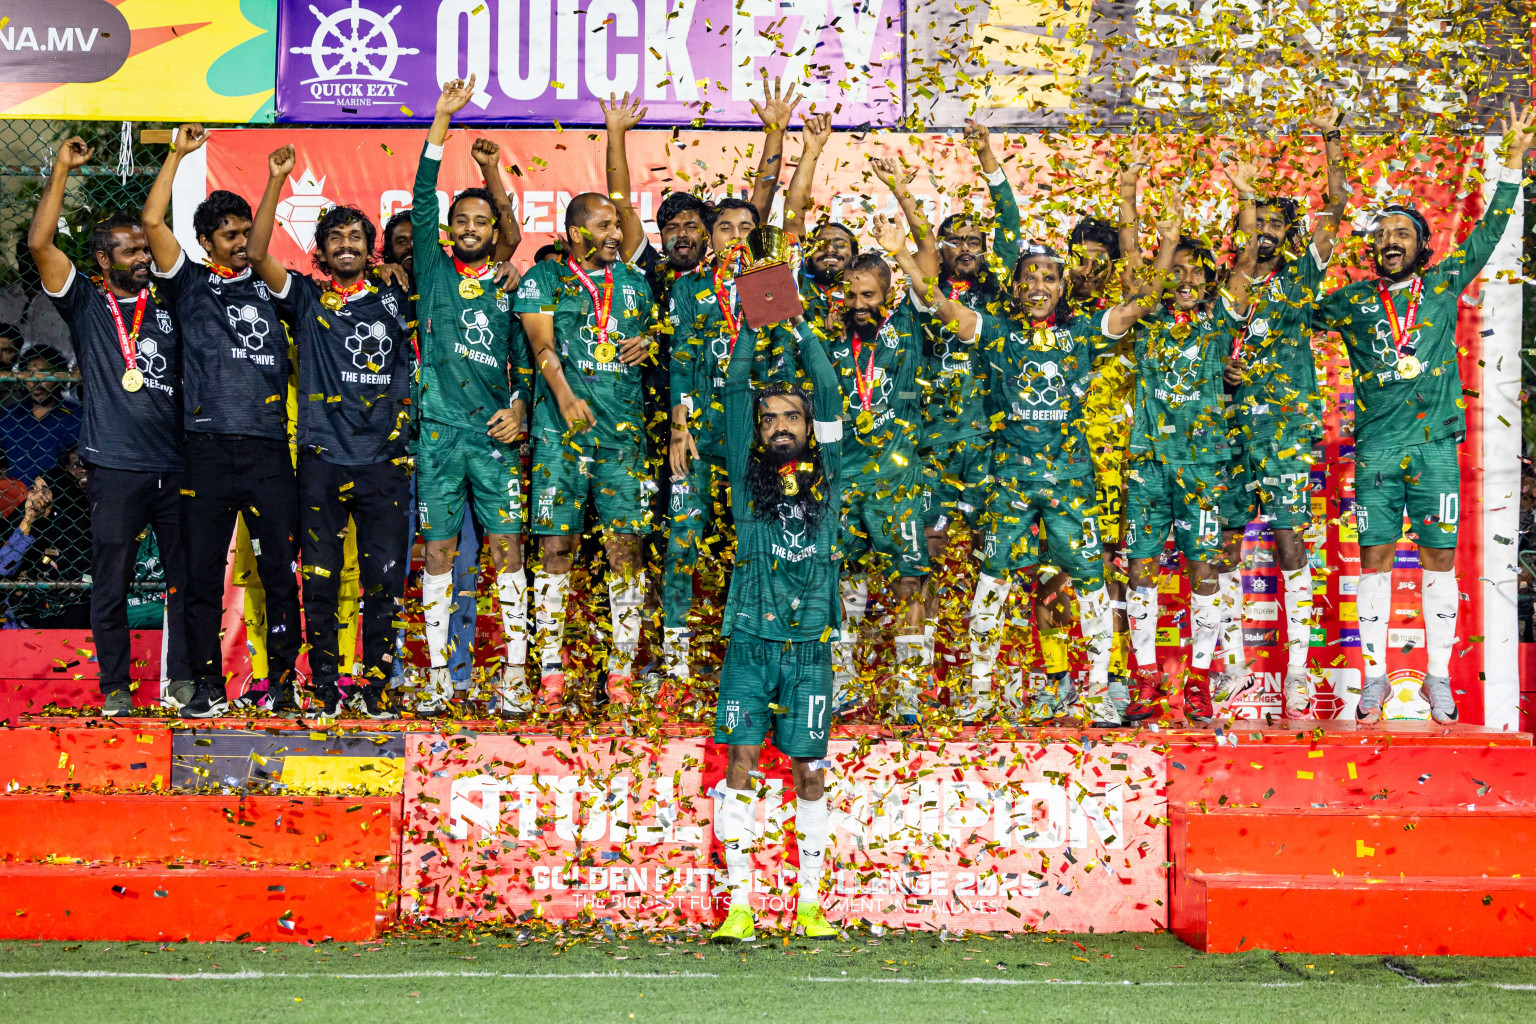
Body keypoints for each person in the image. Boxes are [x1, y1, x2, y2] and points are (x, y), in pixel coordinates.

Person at [1317, 103, 1532, 725]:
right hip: (1377, 453)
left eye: (1402, 233)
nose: (1390, 241)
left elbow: (1488, 233)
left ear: (1422, 244)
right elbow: (1290, 317)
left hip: (1436, 448)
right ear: (1372, 247)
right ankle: (1374, 678)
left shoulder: (1442, 283)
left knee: (1439, 560)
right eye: (1382, 234)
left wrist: (1511, 167)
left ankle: (1437, 676)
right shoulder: (1351, 301)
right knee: (1375, 563)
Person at [905, 232, 1155, 723]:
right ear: (1014, 287)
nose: (1039, 286)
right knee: (992, 583)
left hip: (1071, 481)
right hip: (1011, 484)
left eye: (1049, 278)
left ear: (1063, 286)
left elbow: (1141, 303)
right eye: (1029, 278)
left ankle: (1097, 693)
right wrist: (901, 253)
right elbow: (939, 304)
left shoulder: (1083, 330)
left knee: (1090, 585)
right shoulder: (995, 330)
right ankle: (980, 693)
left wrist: (1158, 236)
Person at [247, 144, 416, 719]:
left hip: (385, 460)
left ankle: (376, 687)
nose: (347, 245)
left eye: (356, 238)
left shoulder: (399, 297)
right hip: (322, 457)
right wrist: (276, 179)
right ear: (319, 252)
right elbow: (255, 253)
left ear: (371, 249)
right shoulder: (304, 299)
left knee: (384, 582)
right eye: (335, 238)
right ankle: (323, 685)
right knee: (318, 579)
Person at [27, 136, 191, 717]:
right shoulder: (86, 304)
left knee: (184, 581)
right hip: (115, 468)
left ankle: (184, 680)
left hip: (176, 464)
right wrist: (62, 169)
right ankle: (116, 686)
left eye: (145, 249)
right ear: (103, 260)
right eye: (130, 252)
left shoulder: (171, 301)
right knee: (112, 580)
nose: (144, 258)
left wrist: (175, 156)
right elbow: (40, 242)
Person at [142, 124, 300, 719]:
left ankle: (283, 683)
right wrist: (178, 155)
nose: (239, 242)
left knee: (280, 573)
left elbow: (261, 248)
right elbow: (153, 221)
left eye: (244, 232)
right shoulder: (187, 283)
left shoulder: (273, 285)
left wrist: (274, 182)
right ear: (205, 242)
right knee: (202, 575)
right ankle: (207, 685)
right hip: (205, 450)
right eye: (228, 235)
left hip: (267, 451)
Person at [710, 315, 842, 944]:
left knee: (810, 771)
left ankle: (810, 904)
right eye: (769, 419)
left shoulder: (830, 475)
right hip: (749, 644)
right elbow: (737, 388)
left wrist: (800, 328)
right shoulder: (745, 477)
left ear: (809, 428)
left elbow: (830, 391)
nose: (780, 426)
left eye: (792, 417)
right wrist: (751, 327)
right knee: (740, 763)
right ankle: (739, 905)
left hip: (810, 649)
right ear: (758, 430)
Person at [1216, 105, 1348, 717]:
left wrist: (1331, 138)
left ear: (1290, 234)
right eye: (1257, 221)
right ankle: (1229, 668)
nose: (1266, 230)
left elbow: (1336, 209)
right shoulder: (1223, 283)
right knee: (1222, 543)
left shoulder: (1300, 277)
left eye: (1276, 223)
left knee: (1291, 541)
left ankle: (1296, 672)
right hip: (1227, 430)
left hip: (1287, 431)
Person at [411, 77, 533, 716]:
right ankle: (438, 675)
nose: (469, 228)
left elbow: (525, 360)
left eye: (481, 221)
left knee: (508, 550)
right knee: (437, 551)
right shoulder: (432, 271)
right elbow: (420, 197)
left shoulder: (512, 282)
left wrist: (520, 408)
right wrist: (440, 119)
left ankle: (515, 675)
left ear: (494, 232)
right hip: (438, 434)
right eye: (460, 220)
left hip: (493, 437)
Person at [517, 172, 658, 711]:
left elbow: (649, 340)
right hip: (561, 436)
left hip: (624, 438)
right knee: (557, 547)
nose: (616, 234)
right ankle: (552, 670)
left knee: (626, 550)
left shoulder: (637, 283)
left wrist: (648, 341)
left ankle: (620, 670)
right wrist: (564, 395)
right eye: (604, 226)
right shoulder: (545, 277)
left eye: (617, 225)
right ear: (576, 233)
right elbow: (541, 345)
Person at [1122, 187, 1260, 725]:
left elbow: (1247, 260)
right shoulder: (1145, 317)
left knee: (1203, 568)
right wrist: (1141, 204)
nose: (1184, 280)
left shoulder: (1220, 321)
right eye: (1174, 271)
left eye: (1195, 272)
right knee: (1141, 568)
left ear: (1210, 279)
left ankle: (1200, 680)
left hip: (1202, 465)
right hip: (1148, 463)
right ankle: (1144, 677)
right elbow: (1134, 263)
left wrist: (1245, 197)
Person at [662, 197, 793, 689]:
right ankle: (675, 663)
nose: (735, 236)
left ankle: (754, 658)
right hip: (701, 439)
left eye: (745, 228)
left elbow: (784, 366)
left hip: (757, 443)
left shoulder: (774, 285)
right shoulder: (688, 287)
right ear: (710, 236)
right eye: (724, 228)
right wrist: (679, 427)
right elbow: (680, 359)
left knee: (760, 547)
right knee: (682, 542)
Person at [825, 157, 936, 720]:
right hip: (843, 481)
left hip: (898, 484)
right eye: (852, 297)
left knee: (910, 585)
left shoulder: (907, 329)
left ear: (888, 295)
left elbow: (928, 262)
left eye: (869, 296)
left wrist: (900, 195)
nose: (859, 306)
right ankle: (844, 684)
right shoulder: (825, 340)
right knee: (844, 581)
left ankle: (910, 692)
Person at [919, 122, 1022, 650]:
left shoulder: (1001, 295)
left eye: (974, 241)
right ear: (939, 249)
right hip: (932, 442)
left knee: (990, 552)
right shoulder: (922, 296)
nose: (965, 247)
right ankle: (919, 668)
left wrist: (987, 158)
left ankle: (985, 664)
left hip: (989, 441)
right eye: (954, 240)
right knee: (927, 551)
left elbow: (1011, 226)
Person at [0, 344, 80, 484]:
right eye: (30, 374)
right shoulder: (10, 416)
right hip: (17, 495)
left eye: (44, 374)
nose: (36, 381)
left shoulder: (75, 417)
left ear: (59, 376)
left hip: (58, 494)